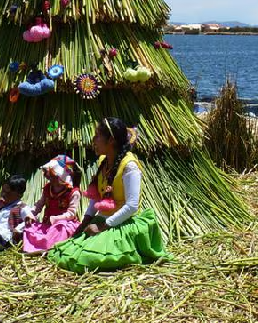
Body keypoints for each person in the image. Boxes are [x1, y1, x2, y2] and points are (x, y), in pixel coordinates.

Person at [47, 117, 168, 273]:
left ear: (110, 140)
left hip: (121, 223)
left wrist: (103, 226)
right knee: (65, 252)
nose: (93, 140)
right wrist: (84, 223)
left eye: (97, 135)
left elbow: (132, 206)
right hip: (102, 220)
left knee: (86, 260)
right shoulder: (104, 161)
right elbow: (97, 198)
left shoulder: (129, 166)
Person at [23, 155, 82, 254]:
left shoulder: (73, 192)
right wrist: (31, 214)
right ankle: (39, 246)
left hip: (63, 224)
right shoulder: (47, 188)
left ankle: (49, 246)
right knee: (29, 227)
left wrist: (56, 219)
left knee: (60, 228)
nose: (49, 177)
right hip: (47, 225)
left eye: (52, 175)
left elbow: (71, 214)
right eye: (48, 174)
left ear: (62, 176)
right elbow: (39, 204)